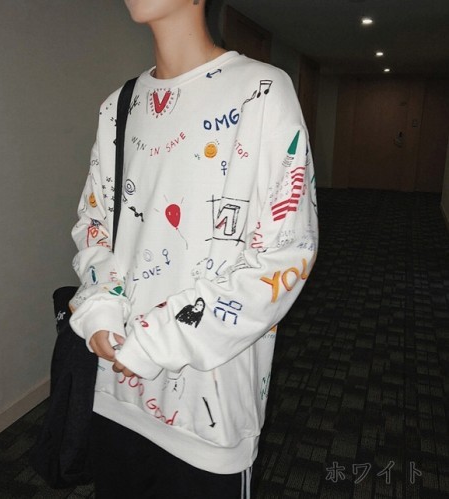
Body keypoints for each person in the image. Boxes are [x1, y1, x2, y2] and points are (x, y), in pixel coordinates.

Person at [69, 0, 318, 497]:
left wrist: (157, 341)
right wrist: (99, 309)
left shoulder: (262, 91)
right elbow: (95, 225)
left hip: (208, 418)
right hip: (116, 396)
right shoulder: (118, 106)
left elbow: (286, 253)